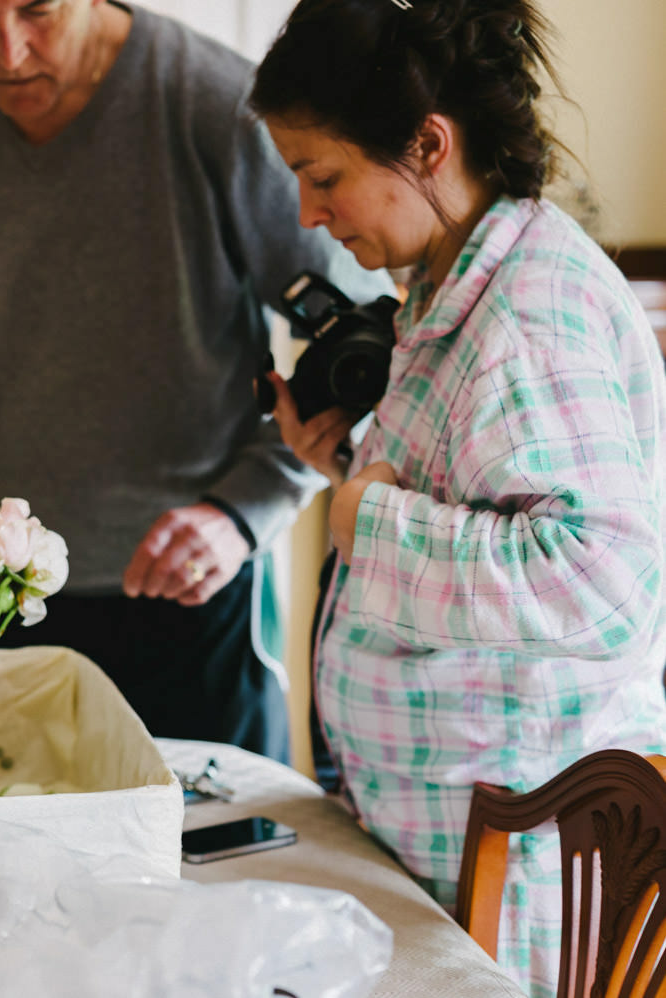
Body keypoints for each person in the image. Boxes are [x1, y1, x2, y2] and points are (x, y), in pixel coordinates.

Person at [0, 0, 389, 760]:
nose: (9, 52)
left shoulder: (213, 104)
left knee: (209, 865)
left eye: (36, 11)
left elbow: (359, 349)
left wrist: (242, 511)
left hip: (200, 592)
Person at [250, 1, 666, 993]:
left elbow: (602, 582)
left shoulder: (524, 313)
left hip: (509, 854)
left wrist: (363, 518)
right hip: (436, 827)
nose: (308, 214)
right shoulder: (455, 280)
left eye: (322, 176)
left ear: (426, 144)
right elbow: (476, 488)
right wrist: (346, 468)